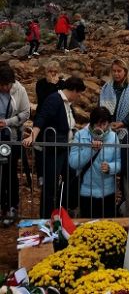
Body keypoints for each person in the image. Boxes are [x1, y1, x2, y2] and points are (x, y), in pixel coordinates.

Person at [23, 76, 86, 218]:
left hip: (65, 148)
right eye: (79, 93)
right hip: (54, 150)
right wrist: (32, 136)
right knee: (50, 184)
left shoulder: (67, 104)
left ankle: (61, 210)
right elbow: (41, 117)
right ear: (74, 90)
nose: (79, 97)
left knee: (70, 178)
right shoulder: (54, 99)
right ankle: (46, 216)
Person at [69, 106, 121, 218]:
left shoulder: (113, 137)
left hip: (108, 191)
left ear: (108, 124)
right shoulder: (80, 136)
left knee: (107, 227)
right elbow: (73, 162)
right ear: (92, 123)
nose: (101, 127)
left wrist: (111, 167)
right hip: (86, 192)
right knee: (88, 226)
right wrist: (91, 150)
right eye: (97, 124)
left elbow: (119, 162)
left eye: (104, 124)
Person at [0, 64, 30, 225]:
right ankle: (2, 206)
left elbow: (26, 113)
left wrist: (7, 122)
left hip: (11, 137)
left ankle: (12, 206)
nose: (5, 88)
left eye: (7, 85)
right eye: (2, 85)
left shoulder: (20, 90)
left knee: (10, 173)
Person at [35, 60, 66, 184]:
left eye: (55, 72)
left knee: (55, 150)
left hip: (56, 122)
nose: (53, 74)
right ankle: (41, 175)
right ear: (46, 72)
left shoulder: (63, 84)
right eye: (50, 71)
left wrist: (55, 85)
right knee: (39, 149)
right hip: (42, 120)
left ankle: (56, 175)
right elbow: (44, 100)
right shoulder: (40, 84)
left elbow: (61, 101)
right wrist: (52, 85)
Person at [99, 58, 129, 140]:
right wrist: (106, 124)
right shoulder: (106, 89)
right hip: (106, 128)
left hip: (125, 130)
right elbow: (100, 108)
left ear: (125, 72)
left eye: (119, 71)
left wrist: (123, 123)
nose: (116, 74)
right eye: (114, 71)